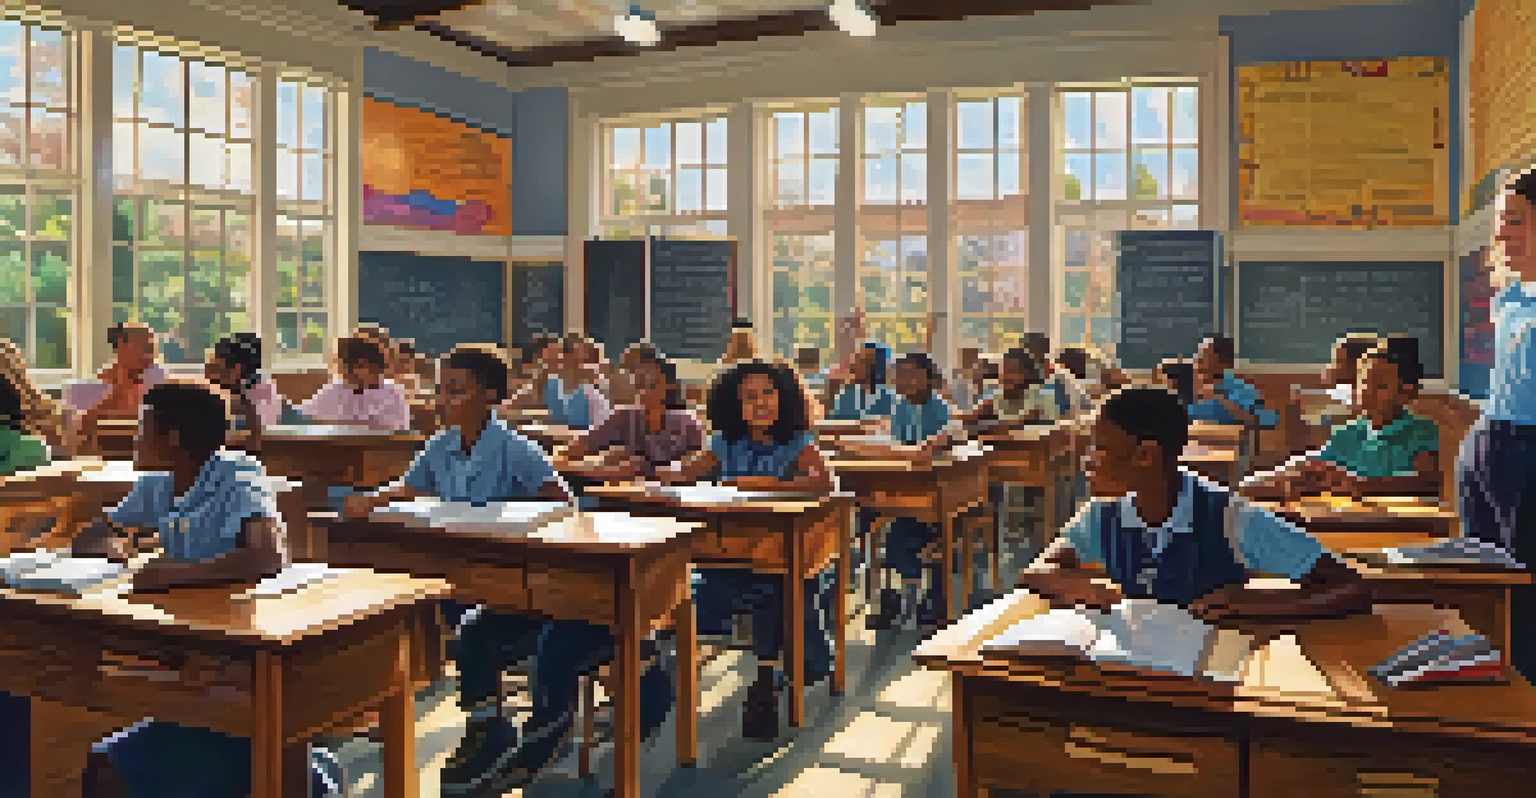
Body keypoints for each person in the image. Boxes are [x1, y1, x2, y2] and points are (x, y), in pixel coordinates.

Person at [337, 346, 607, 795]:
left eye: (456, 391)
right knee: (465, 631)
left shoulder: (514, 449)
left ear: (490, 396)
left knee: (476, 633)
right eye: (441, 390)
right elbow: (410, 484)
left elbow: (564, 503)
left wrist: (508, 515)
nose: (443, 400)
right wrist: (373, 499)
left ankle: (511, 734)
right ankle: (486, 726)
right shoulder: (441, 444)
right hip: (469, 576)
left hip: (524, 583)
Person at [73, 382, 342, 798]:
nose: (134, 436)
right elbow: (89, 535)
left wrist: (172, 574)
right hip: (191, 654)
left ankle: (314, 776)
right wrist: (109, 546)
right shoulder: (159, 483)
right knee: (101, 763)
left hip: (248, 660)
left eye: (144, 426)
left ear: (173, 437)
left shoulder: (237, 474)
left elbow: (267, 555)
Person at [1016, 386, 1370, 619]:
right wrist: (1075, 585)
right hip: (1133, 665)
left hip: (1212, 674)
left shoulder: (1228, 517)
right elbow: (1036, 571)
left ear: (1145, 455)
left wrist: (1257, 605)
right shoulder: (1103, 513)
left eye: (1100, 447)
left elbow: (1352, 588)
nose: (1087, 460)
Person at [668, 360, 837, 740]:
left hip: (782, 555)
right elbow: (685, 474)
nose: (760, 403)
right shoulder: (724, 442)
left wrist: (760, 484)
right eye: (749, 397)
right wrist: (650, 473)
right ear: (733, 403)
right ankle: (769, 673)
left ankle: (766, 679)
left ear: (785, 398)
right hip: (726, 557)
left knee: (781, 590)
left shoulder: (797, 441)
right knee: (708, 593)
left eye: (768, 394)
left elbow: (824, 482)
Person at [1460, 168, 1536, 681]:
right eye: (1498, 223)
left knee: (1525, 584)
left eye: (1515, 220)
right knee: (1481, 580)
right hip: (1489, 444)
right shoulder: (1510, 299)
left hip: (1529, 454)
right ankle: (1486, 683)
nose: (1501, 234)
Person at [1243, 340, 1440, 501]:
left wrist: (1361, 485)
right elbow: (1308, 465)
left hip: (1400, 529)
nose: (1367, 392)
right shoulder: (1350, 432)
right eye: (1364, 383)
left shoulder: (1420, 431)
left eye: (1380, 386)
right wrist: (1257, 484)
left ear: (1407, 393)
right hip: (1349, 520)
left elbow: (1427, 483)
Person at [865, 353, 960, 629]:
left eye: (911, 374)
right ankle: (896, 600)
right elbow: (899, 445)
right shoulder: (899, 408)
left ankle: (922, 601)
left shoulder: (941, 409)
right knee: (883, 523)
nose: (904, 380)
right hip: (905, 486)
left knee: (907, 532)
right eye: (899, 375)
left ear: (929, 378)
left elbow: (940, 447)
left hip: (937, 489)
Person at [554, 344, 706, 484]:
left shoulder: (687, 425)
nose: (644, 391)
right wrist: (604, 463)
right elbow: (571, 450)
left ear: (669, 385)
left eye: (652, 383)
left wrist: (643, 470)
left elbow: (695, 469)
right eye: (639, 384)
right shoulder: (624, 418)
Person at [298, 333, 411, 432]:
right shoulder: (336, 390)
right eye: (355, 367)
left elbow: (398, 429)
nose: (361, 372)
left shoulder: (390, 392)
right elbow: (308, 415)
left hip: (381, 449)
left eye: (367, 366)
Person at [1188, 335, 1277, 429]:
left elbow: (1268, 420)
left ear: (1223, 363)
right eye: (1198, 355)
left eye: (1204, 356)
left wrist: (1218, 398)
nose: (1197, 360)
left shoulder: (1242, 390)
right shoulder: (1189, 389)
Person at [204, 333, 284, 436]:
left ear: (236, 370)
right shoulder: (228, 390)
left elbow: (260, 434)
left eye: (214, 367)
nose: (207, 373)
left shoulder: (260, 391)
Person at [970, 348, 1059, 427]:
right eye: (1003, 371)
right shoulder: (997, 399)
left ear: (1027, 374)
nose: (1006, 376)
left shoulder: (1042, 397)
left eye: (1012, 371)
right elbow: (970, 419)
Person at [826, 342, 895, 421]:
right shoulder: (847, 394)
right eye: (856, 360)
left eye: (862, 361)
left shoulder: (889, 399)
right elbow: (835, 424)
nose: (854, 365)